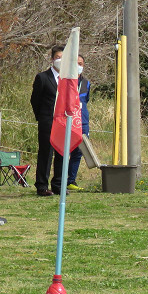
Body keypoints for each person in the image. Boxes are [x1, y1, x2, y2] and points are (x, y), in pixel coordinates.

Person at [30, 45, 66, 196]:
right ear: (52, 59)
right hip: (47, 122)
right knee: (46, 153)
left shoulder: (68, 78)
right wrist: (42, 118)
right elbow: (35, 100)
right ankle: (42, 186)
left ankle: (58, 184)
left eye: (63, 58)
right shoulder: (42, 77)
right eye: (58, 57)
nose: (60, 60)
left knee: (61, 154)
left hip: (63, 123)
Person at [66, 54, 90, 191]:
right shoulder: (65, 81)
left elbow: (86, 100)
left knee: (78, 151)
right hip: (67, 120)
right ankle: (60, 179)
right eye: (76, 63)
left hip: (82, 121)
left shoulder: (86, 83)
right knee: (64, 151)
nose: (78, 66)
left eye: (81, 64)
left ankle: (71, 180)